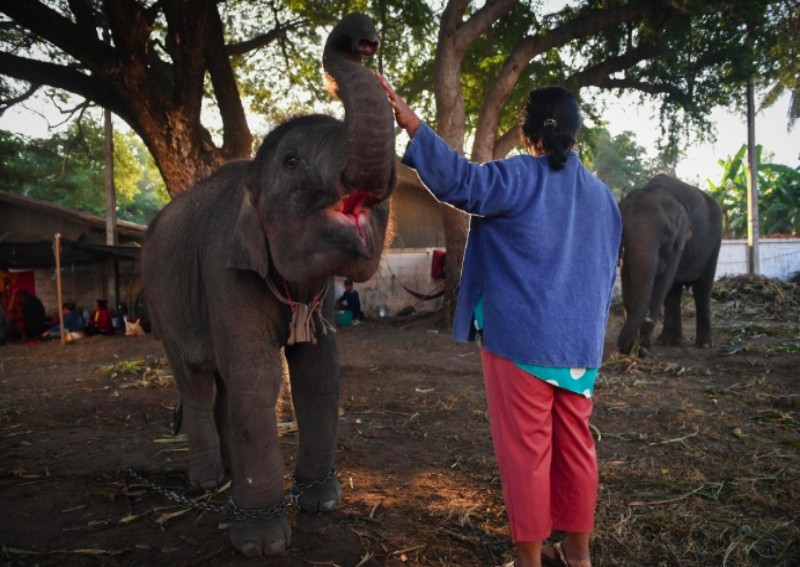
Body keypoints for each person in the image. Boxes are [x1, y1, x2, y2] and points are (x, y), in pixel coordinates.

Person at [379, 75, 621, 567]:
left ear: (529, 136)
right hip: (579, 351)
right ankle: (577, 555)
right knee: (577, 448)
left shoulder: (516, 178)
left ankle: (530, 561)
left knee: (526, 453)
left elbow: (459, 182)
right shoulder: (603, 198)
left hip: (521, 345)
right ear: (575, 136)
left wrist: (412, 124)